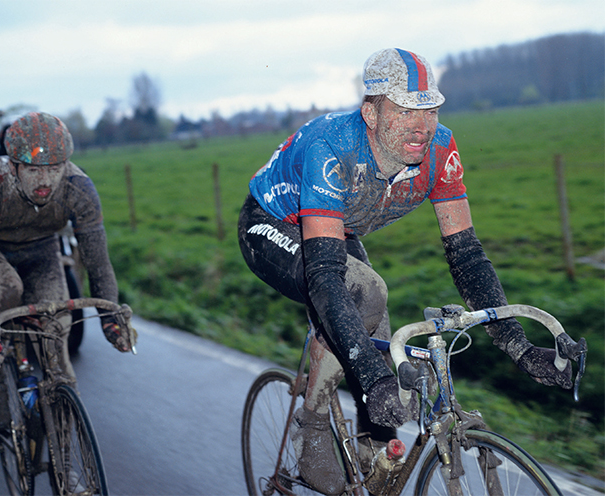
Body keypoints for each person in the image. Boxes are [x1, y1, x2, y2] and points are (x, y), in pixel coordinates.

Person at [237, 48, 573, 494]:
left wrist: (520, 347)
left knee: (387, 372)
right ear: (371, 113)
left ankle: (372, 463)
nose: (422, 124)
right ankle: (313, 427)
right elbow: (324, 276)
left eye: (430, 109)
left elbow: (468, 256)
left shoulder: (440, 148)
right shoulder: (331, 147)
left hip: (339, 222)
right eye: (405, 110)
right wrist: (372, 378)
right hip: (273, 223)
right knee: (367, 296)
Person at [0, 111, 134, 427]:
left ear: (65, 165)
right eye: (32, 169)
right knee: (8, 290)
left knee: (57, 334)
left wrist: (110, 321)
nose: (44, 181)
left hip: (42, 253)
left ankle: (68, 465)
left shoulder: (79, 188)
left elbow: (97, 264)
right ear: (13, 166)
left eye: (54, 169)